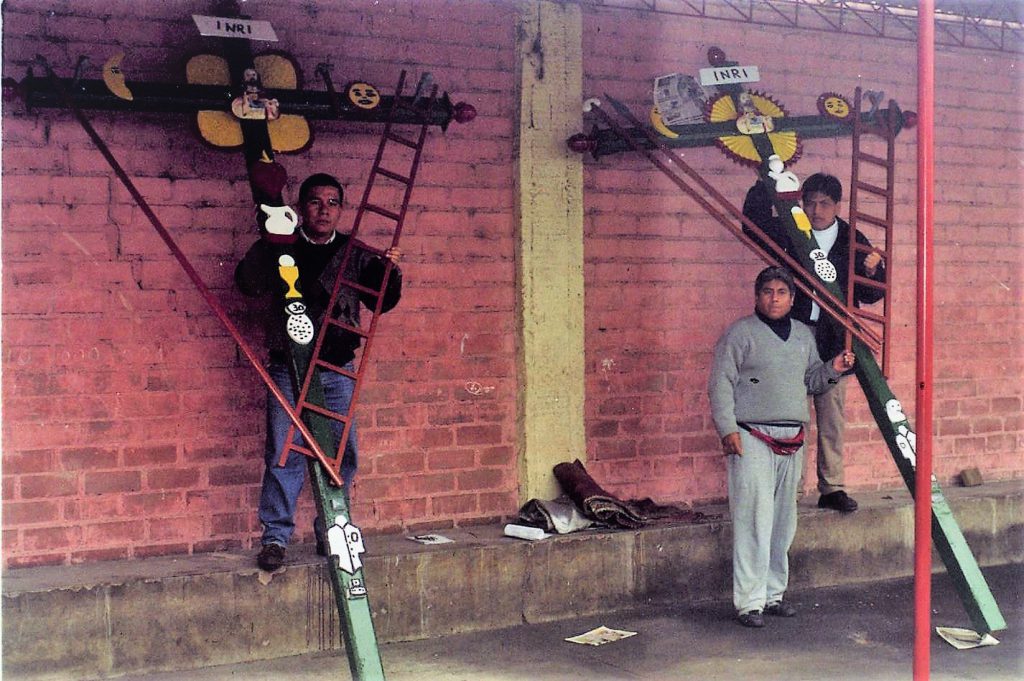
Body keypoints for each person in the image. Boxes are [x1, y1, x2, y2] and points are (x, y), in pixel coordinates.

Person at [235, 173, 403, 572]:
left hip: (335, 368)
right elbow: (248, 285)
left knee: (341, 453)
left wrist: (390, 272)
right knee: (282, 452)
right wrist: (267, 246)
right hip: (287, 368)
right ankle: (275, 538)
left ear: (341, 210)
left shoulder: (355, 252)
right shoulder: (280, 246)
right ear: (301, 208)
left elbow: (382, 302)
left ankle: (334, 531)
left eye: (332, 202)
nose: (324, 210)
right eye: (314, 201)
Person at [709, 266, 855, 628]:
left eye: (782, 292)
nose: (774, 298)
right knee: (753, 518)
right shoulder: (740, 334)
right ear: (757, 296)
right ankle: (749, 603)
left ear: (792, 298)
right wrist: (728, 429)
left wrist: (833, 367)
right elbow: (720, 384)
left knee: (783, 522)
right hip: (751, 436)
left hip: (792, 438)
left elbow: (812, 381)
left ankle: (774, 595)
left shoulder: (804, 335)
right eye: (768, 291)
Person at [742, 173, 885, 513]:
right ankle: (789, 490)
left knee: (831, 414)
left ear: (837, 206)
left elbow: (870, 293)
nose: (816, 209)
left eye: (824, 203)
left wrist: (875, 269)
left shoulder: (853, 239)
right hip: (794, 335)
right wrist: (766, 180)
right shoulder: (792, 231)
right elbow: (753, 225)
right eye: (810, 202)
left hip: (834, 339)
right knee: (792, 413)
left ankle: (832, 487)